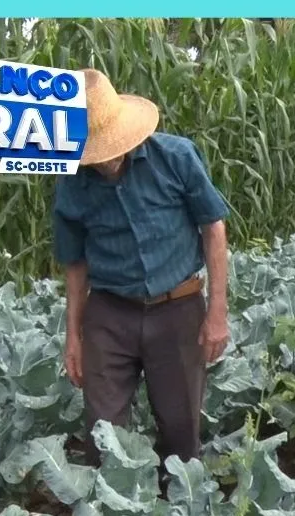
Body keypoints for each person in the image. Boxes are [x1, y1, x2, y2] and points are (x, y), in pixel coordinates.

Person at [52, 69, 231, 469]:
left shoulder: (176, 157)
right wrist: (74, 337)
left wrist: (217, 311)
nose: (106, 159)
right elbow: (75, 264)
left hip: (179, 308)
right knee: (102, 434)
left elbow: (213, 227)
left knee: (181, 431)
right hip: (110, 314)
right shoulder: (72, 183)